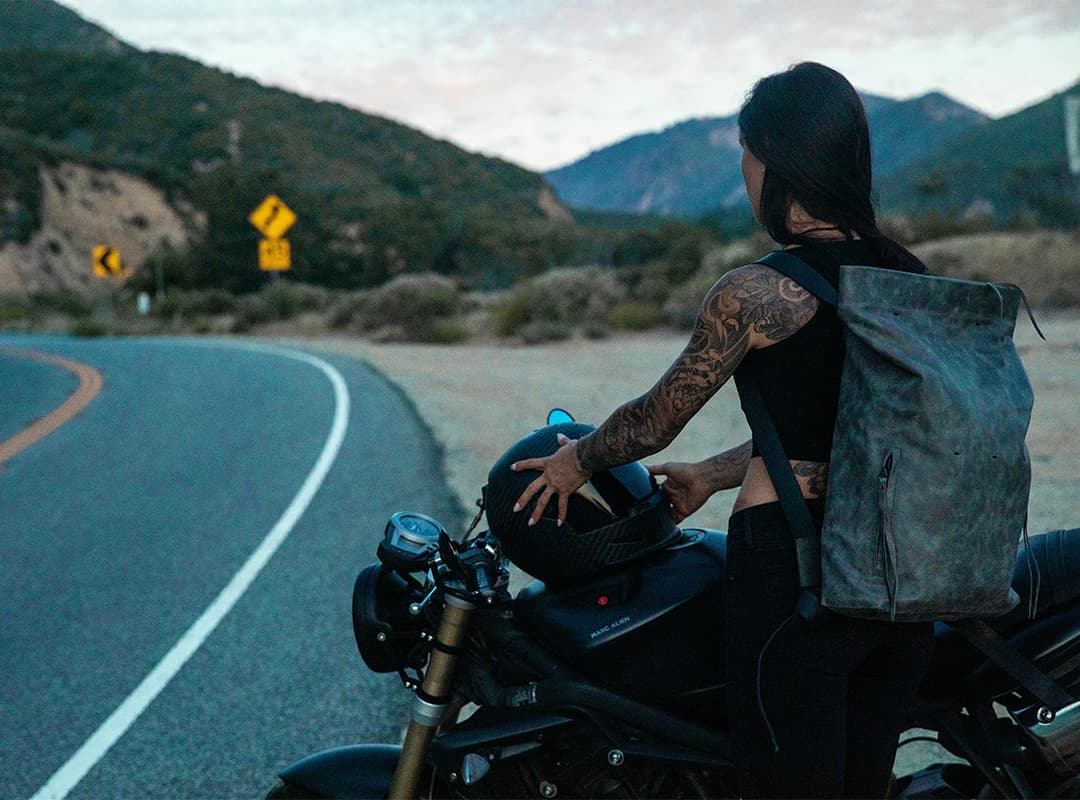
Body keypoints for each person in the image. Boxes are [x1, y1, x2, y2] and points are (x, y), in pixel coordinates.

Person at [510, 62, 935, 799]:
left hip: (796, 571)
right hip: (902, 571)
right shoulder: (909, 278)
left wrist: (575, 461)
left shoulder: (757, 292)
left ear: (774, 160)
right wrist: (710, 476)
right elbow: (849, 428)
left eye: (747, 152)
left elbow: (653, 421)